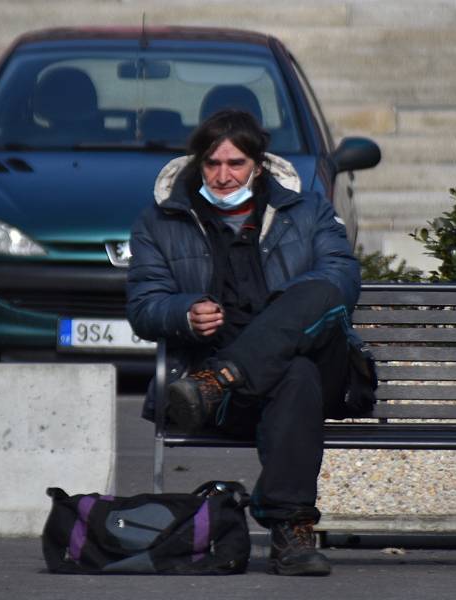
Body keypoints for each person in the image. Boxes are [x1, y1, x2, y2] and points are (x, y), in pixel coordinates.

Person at [127, 109, 374, 576]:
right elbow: (144, 305)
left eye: (235, 164)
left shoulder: (307, 210)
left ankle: (220, 379)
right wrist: (184, 313)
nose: (223, 176)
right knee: (294, 375)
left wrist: (283, 314)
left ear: (258, 166)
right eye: (213, 164)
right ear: (198, 164)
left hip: (268, 379)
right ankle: (291, 533)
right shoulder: (160, 221)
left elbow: (342, 277)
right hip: (237, 393)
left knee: (319, 294)